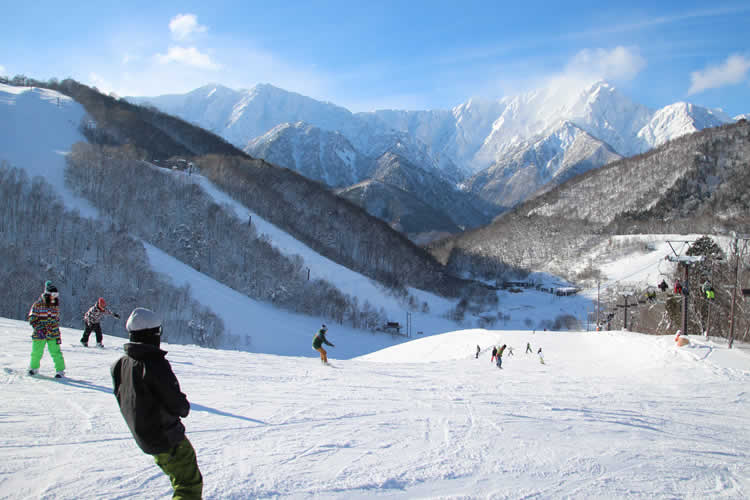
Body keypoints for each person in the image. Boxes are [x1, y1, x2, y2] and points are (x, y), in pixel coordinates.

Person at [111, 308, 203, 499]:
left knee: (181, 479)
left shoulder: (120, 364)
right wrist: (183, 405)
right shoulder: (153, 364)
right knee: (188, 485)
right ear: (152, 334)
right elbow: (178, 405)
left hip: (145, 436)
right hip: (166, 436)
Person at [28, 281, 66, 378]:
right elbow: (32, 318)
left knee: (56, 352)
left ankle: (60, 370)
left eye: (57, 295)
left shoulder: (55, 305)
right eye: (53, 294)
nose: (55, 297)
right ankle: (33, 368)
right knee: (37, 351)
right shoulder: (38, 305)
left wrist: (54, 328)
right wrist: (39, 328)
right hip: (39, 333)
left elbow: (56, 319)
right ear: (48, 294)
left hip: (53, 333)